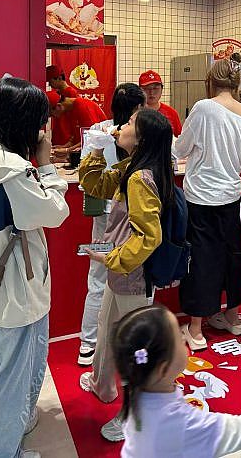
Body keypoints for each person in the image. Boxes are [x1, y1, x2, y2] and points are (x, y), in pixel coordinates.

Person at [0, 77, 69, 458]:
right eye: (39, 120)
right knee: (15, 377)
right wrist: (47, 165)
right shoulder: (14, 172)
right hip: (18, 286)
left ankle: (7, 429)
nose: (43, 128)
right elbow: (55, 212)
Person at [77, 108, 174, 442]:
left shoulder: (139, 178)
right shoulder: (131, 167)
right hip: (120, 272)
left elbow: (150, 236)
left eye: (130, 123)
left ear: (142, 137)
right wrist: (94, 149)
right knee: (106, 329)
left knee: (137, 348)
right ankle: (102, 384)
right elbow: (95, 185)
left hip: (132, 274)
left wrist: (114, 259)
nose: (121, 126)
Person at [175, 56, 241, 351]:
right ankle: (233, 317)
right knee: (231, 255)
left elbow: (181, 147)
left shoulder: (203, 108)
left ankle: (196, 330)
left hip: (201, 196)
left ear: (210, 81)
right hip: (230, 196)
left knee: (201, 259)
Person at [112, 304, 241, 457]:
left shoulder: (136, 390)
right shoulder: (182, 423)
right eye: (179, 337)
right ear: (164, 368)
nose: (183, 337)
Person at [77, 83, 146, 367]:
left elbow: (85, 174)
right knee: (133, 279)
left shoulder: (98, 130)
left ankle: (89, 343)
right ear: (137, 108)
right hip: (130, 216)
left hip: (105, 218)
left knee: (98, 278)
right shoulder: (140, 133)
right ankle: (130, 347)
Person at [138, 70, 182, 136]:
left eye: (155, 88)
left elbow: (179, 138)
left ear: (162, 89)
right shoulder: (135, 113)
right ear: (139, 90)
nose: (151, 92)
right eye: (146, 88)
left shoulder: (171, 113)